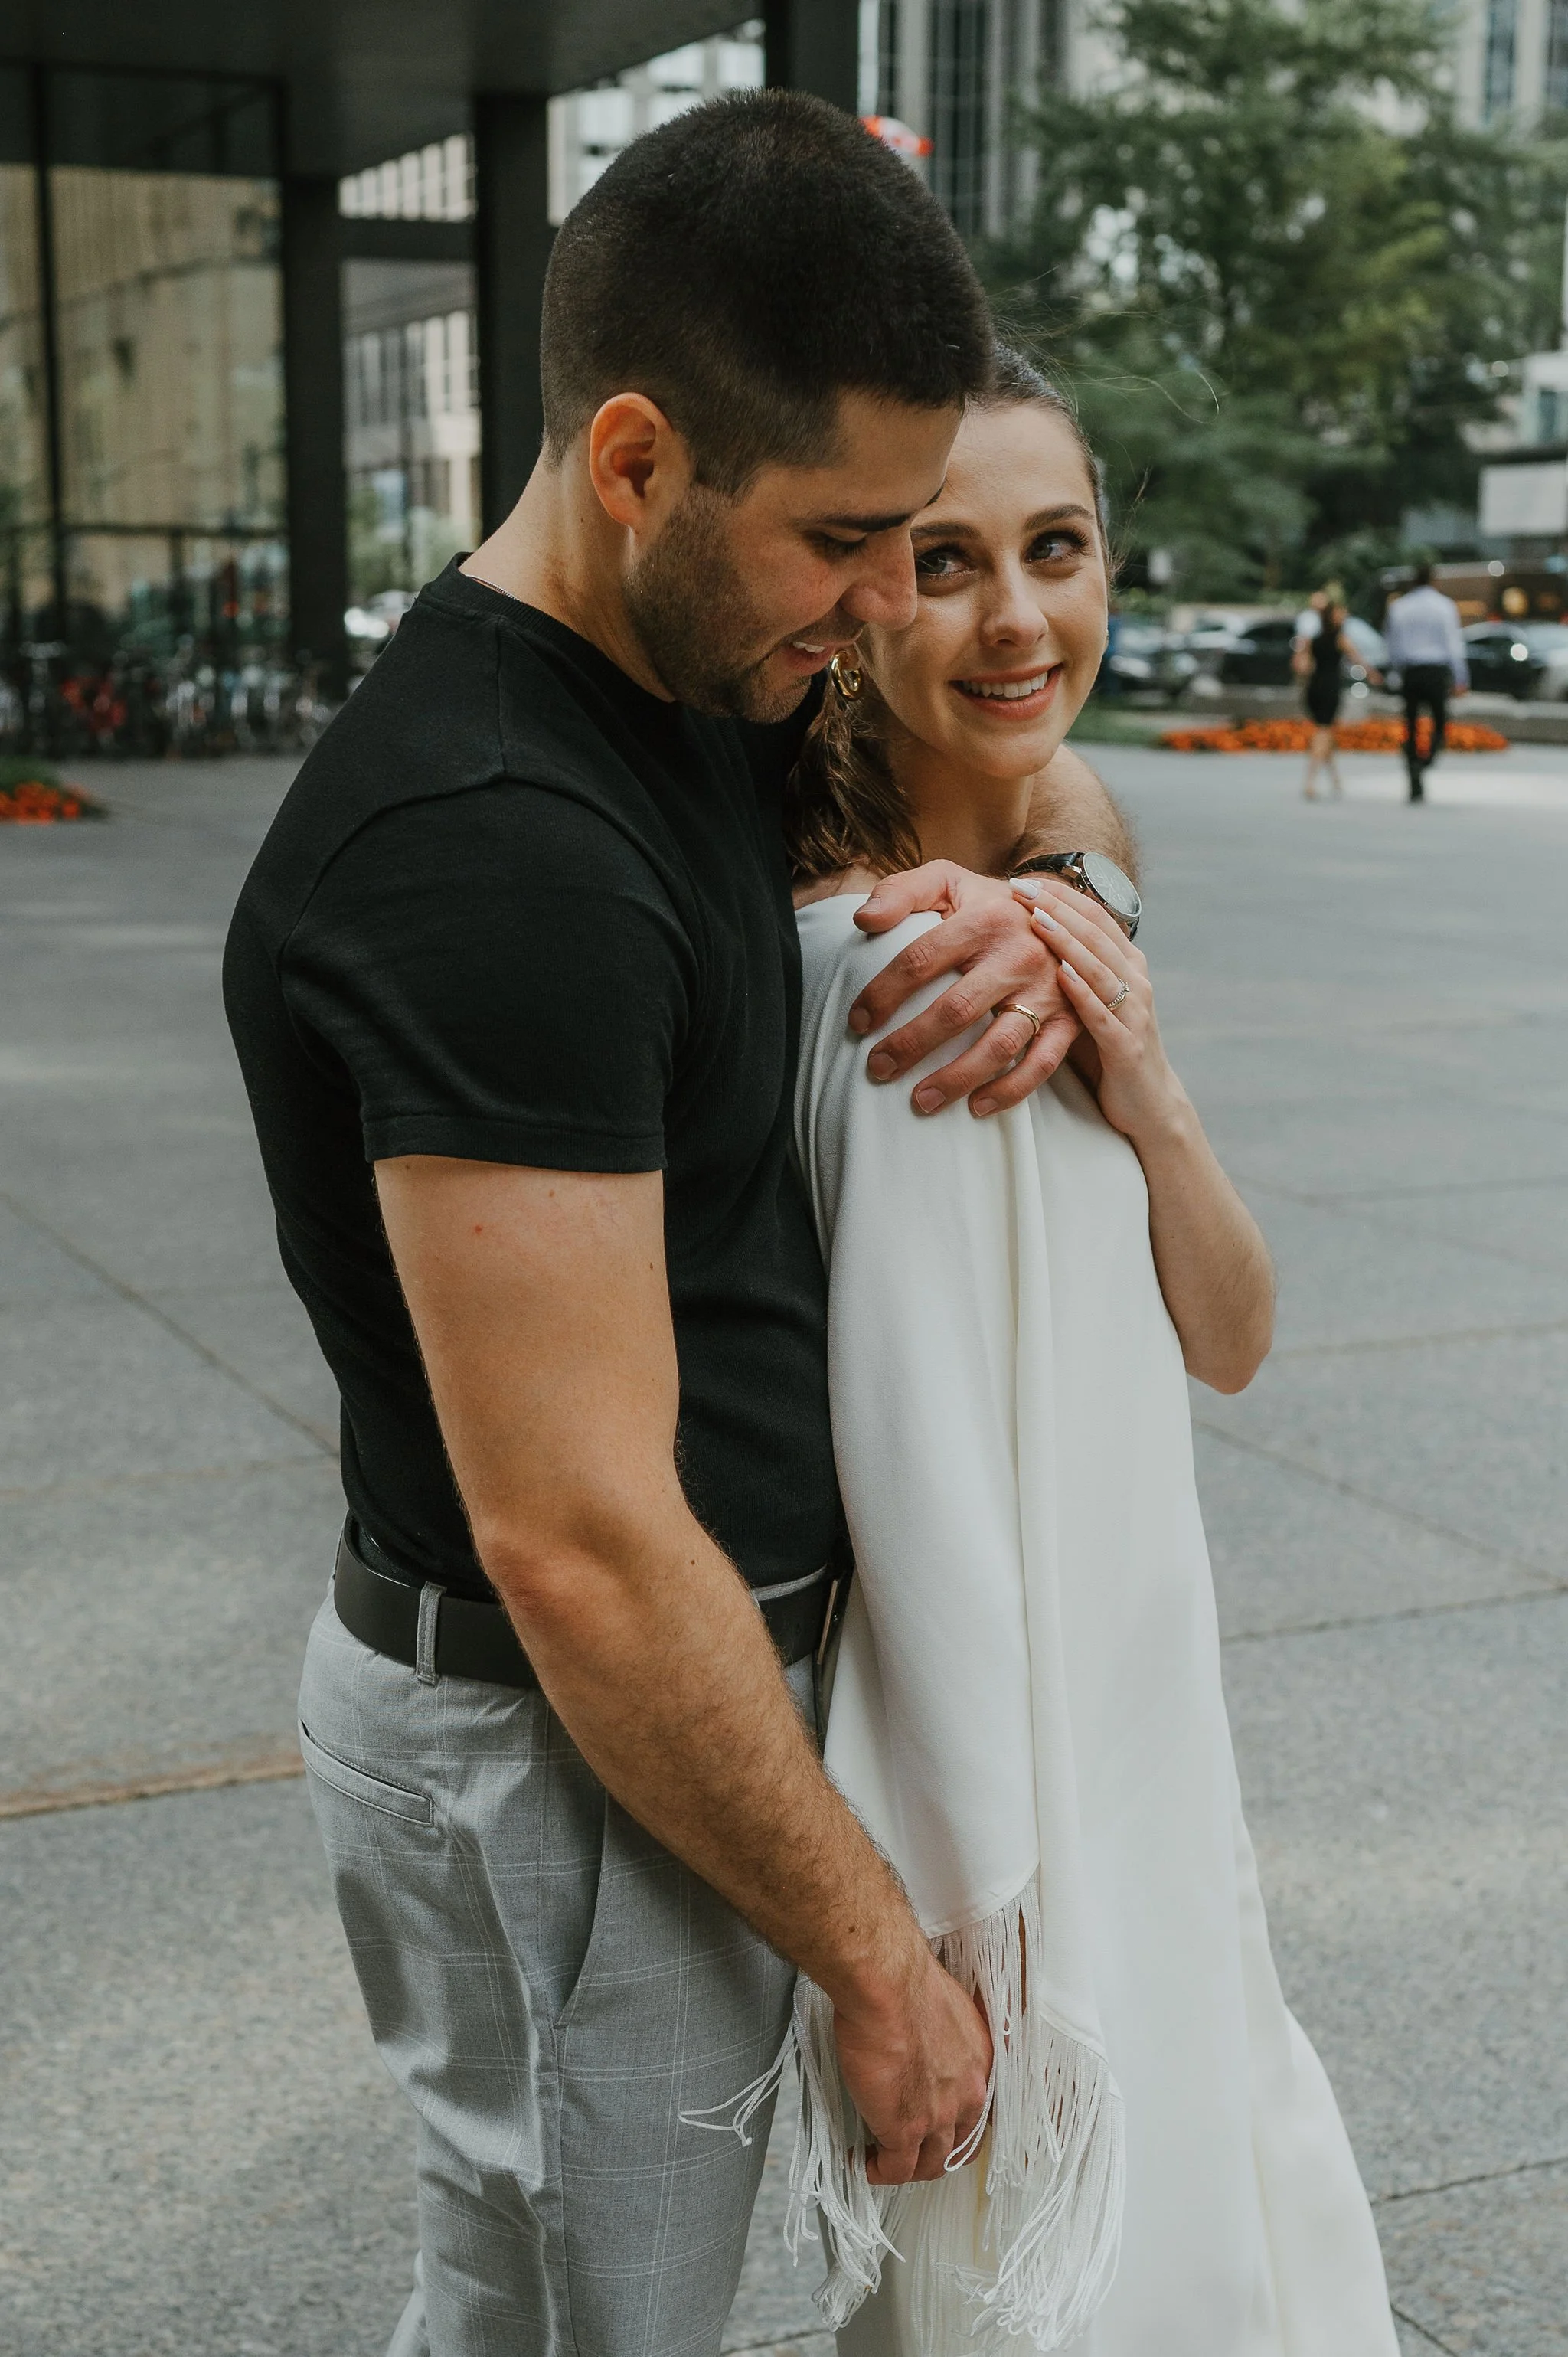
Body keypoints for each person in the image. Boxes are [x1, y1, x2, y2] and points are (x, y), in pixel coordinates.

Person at [224, 95, 1135, 2357]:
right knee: (575, 2329)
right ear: (634, 461)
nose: (875, 604)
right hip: (569, 1740)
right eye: (845, 540)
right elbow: (583, 1542)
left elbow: (1007, 760)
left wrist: (1055, 915)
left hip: (684, 1714)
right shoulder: (489, 850)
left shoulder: (693, 676)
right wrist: (875, 1965)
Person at [778, 349, 1400, 2352]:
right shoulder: (899, 987)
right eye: (944, 561)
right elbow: (921, 1481)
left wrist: (1147, 1078)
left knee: (1205, 2180)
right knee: (1065, 2247)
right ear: (858, 591)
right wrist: (957, 1917)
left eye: (1056, 547)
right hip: (1014, 1762)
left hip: (1150, 1704)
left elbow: (1229, 1335)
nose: (1018, 615)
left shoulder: (1068, 897)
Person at [1383, 560, 1468, 801]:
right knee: (1440, 721)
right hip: (1435, 671)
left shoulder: (1400, 607)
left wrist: (1397, 672)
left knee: (1411, 725)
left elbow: (1393, 644)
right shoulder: (1444, 606)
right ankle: (1425, 761)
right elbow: (1453, 644)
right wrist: (1461, 677)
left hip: (1411, 671)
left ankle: (1413, 769)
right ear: (1434, 580)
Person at [1293, 584, 1380, 799]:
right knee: (1323, 732)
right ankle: (1310, 781)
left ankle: (1335, 779)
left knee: (1325, 733)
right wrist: (1373, 674)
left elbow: (1300, 666)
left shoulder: (1312, 639)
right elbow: (1358, 659)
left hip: (1313, 687)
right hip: (1330, 688)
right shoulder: (1340, 638)